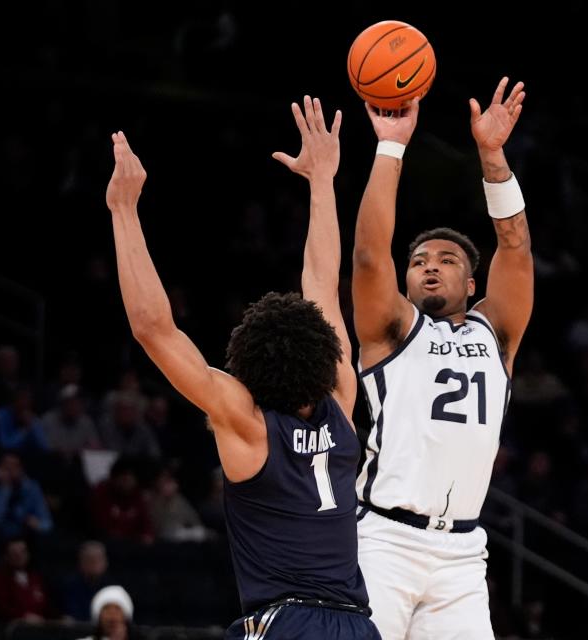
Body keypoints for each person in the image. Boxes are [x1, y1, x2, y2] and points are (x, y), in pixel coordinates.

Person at [105, 95, 379, 640]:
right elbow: (322, 281)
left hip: (286, 622)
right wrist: (323, 180)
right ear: (323, 357)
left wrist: (124, 212)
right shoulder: (343, 397)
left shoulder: (248, 423)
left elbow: (152, 328)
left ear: (248, 366)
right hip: (357, 626)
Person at [352, 77, 533, 638]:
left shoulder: (496, 330)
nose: (430, 264)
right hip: (384, 541)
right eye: (419, 260)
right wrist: (391, 145)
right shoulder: (390, 331)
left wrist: (493, 157)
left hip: (461, 553)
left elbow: (517, 247)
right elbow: (367, 255)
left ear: (471, 279)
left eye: (447, 258)